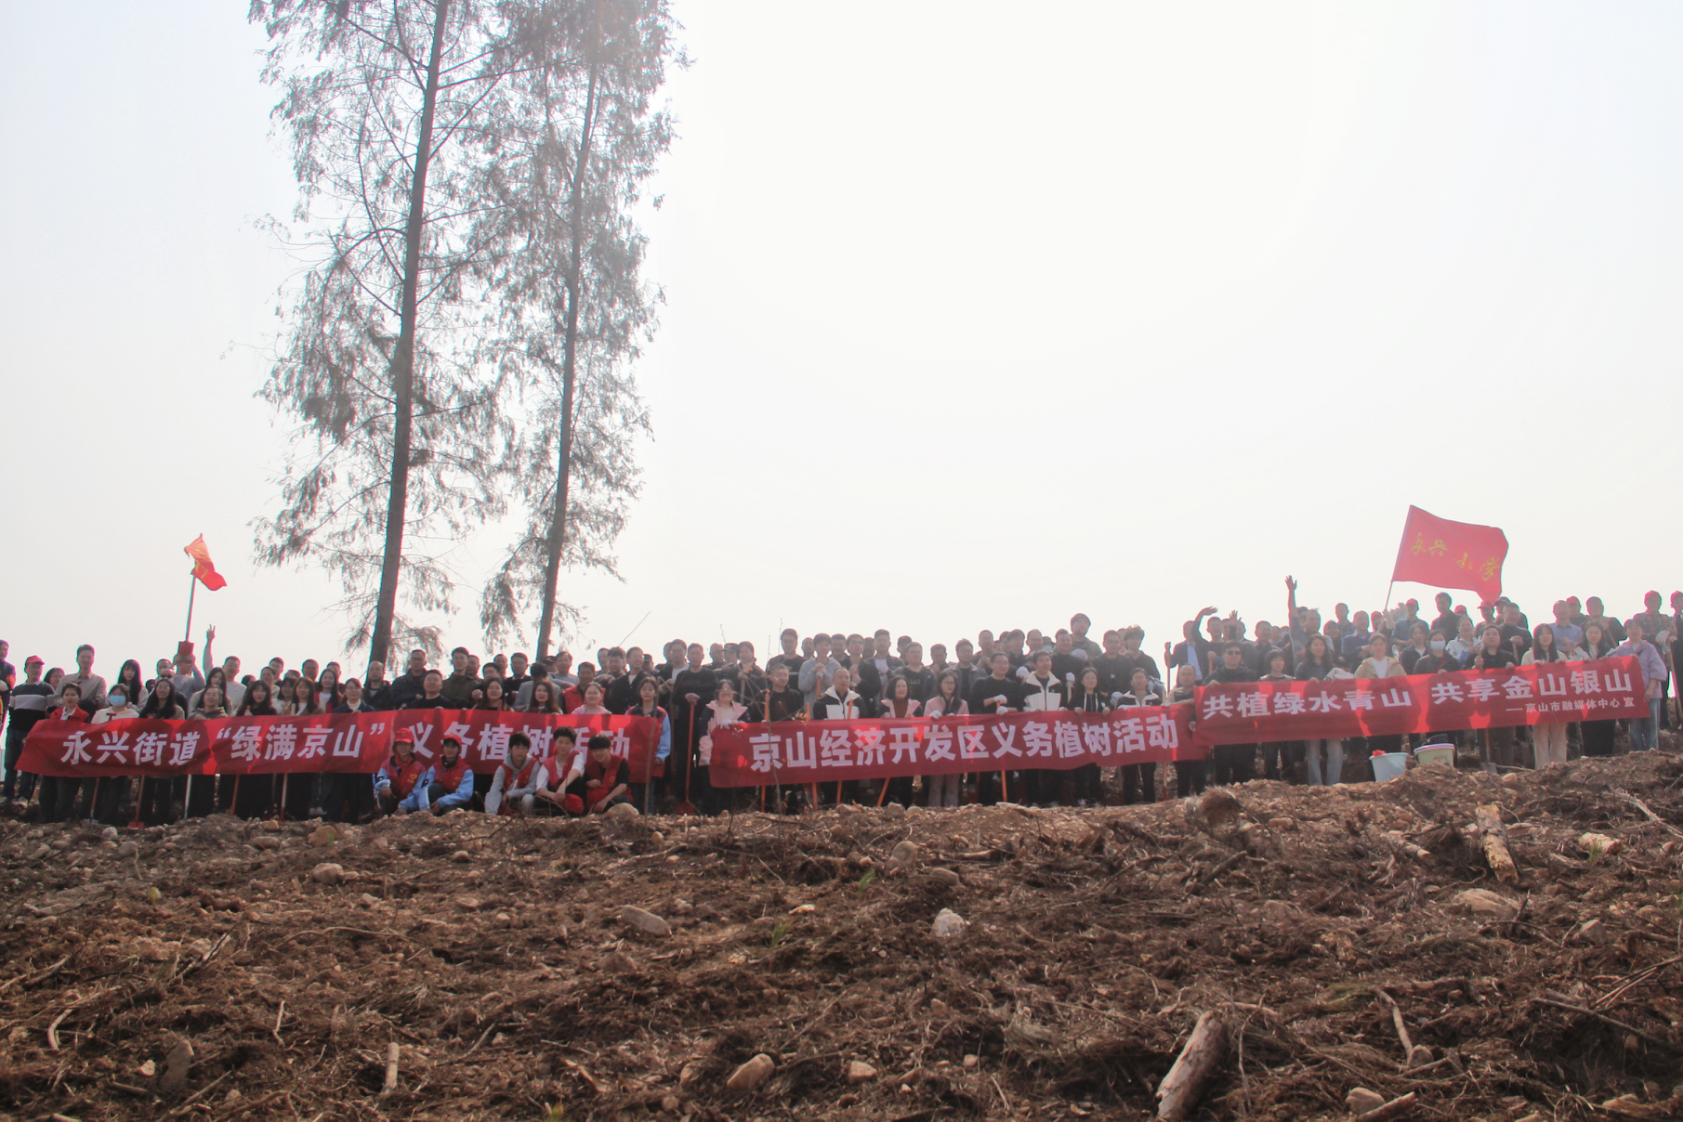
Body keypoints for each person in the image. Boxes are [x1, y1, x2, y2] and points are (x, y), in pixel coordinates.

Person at [1463, 626, 1518, 769]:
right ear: (1481, 638)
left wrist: (1513, 669)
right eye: (1488, 634)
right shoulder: (1474, 657)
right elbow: (1462, 678)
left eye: (1495, 634)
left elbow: (1520, 679)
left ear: (1500, 638)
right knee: (1484, 740)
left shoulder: (1508, 657)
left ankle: (1508, 768)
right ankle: (1486, 769)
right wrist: (1475, 668)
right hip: (1483, 704)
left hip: (1504, 704)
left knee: (1506, 739)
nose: (1492, 637)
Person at [1521, 624, 1577, 768]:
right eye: (1542, 634)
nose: (1545, 637)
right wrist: (1533, 668)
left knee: (1559, 735)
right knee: (1540, 735)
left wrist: (1563, 666)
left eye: (1548, 633)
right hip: (1538, 701)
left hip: (1558, 701)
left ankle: (1560, 765)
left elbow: (1571, 678)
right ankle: (1542, 767)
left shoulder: (1561, 655)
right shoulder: (1529, 656)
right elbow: (1522, 678)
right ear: (1537, 637)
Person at [1205, 642, 1258, 785]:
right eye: (1230, 652)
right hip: (1222, 729)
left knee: (1242, 769)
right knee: (1222, 768)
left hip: (1244, 728)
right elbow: (1202, 699)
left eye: (1237, 653)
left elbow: (1259, 697)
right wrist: (1208, 688)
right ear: (1223, 655)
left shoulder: (1250, 676)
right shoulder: (1214, 676)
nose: (1234, 655)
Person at [1613, 618, 1668, 753]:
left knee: (1651, 725)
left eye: (1637, 627)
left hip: (1650, 693)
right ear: (1626, 631)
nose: (1634, 631)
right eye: (1631, 628)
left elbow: (1657, 669)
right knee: (1634, 726)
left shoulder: (1649, 648)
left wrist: (1650, 689)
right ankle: (1636, 752)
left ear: (1642, 630)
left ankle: (1652, 751)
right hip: (1631, 694)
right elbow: (1615, 669)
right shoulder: (1621, 650)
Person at [3, 656, 52, 808]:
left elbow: (50, 711)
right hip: (14, 730)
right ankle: (7, 794)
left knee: (28, 767)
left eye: (38, 667)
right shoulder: (18, 689)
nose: (36, 670)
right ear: (26, 669)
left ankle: (23, 796)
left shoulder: (46, 689)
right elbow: (12, 709)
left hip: (33, 732)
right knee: (10, 765)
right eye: (33, 667)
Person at [699, 680, 748, 812]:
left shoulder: (741, 711)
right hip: (713, 755)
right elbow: (703, 733)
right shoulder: (709, 710)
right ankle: (709, 817)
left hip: (732, 757)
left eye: (729, 689)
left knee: (729, 789)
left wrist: (733, 723)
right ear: (717, 693)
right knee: (710, 789)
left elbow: (747, 729)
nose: (726, 692)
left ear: (734, 693)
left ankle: (726, 815)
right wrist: (706, 754)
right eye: (722, 690)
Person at [1114, 668, 1160, 805]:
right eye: (1136, 678)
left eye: (1141, 677)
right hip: (1130, 742)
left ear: (1147, 681)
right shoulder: (1123, 699)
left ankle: (1150, 802)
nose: (1139, 680)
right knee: (1129, 775)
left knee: (1148, 775)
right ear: (1131, 681)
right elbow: (1117, 720)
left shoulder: (1155, 699)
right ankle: (1128, 803)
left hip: (1149, 742)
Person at [923, 670, 968, 809]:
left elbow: (967, 726)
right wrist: (931, 718)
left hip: (955, 747)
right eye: (946, 682)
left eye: (952, 683)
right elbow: (924, 727)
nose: (949, 686)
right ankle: (934, 811)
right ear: (939, 684)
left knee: (953, 784)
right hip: (937, 746)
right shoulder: (931, 703)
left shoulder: (962, 704)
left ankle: (951, 811)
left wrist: (957, 720)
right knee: (935, 784)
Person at [1067, 666, 1108, 806]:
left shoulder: (1102, 697)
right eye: (1087, 678)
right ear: (1082, 681)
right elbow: (1068, 711)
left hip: (1097, 737)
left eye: (1093, 678)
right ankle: (1081, 796)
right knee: (1080, 767)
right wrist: (1074, 710)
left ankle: (1096, 796)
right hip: (1080, 737)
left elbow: (1110, 710)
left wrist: (1108, 709)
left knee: (1095, 767)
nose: (1091, 680)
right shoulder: (1076, 697)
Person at [1579, 622, 1619, 757]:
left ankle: (1607, 755)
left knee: (1607, 724)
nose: (1593, 635)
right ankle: (1590, 755)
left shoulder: (1610, 650)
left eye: (1596, 632)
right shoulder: (1578, 651)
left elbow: (1617, 669)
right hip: (1587, 694)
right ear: (1585, 634)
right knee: (1589, 724)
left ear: (1601, 634)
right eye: (1590, 632)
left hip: (1606, 694)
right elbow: (1571, 669)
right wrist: (1582, 663)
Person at [1257, 649, 1296, 782]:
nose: (1278, 663)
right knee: (1270, 752)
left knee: (1288, 752)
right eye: (1275, 660)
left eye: (1281, 660)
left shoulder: (1291, 680)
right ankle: (1270, 778)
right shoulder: (1263, 680)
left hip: (1287, 721)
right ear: (1269, 662)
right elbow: (1260, 700)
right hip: (1270, 722)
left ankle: (1289, 778)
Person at [569, 734, 631, 815]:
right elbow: (583, 785)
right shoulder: (591, 766)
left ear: (609, 749)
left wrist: (605, 800)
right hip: (596, 800)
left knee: (621, 800)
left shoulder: (620, 762)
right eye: (595, 751)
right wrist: (588, 783)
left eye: (601, 750)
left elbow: (623, 785)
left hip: (612, 798)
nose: (598, 753)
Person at [1166, 664, 1203, 798]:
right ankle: (1182, 802)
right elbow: (1166, 707)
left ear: (1195, 676)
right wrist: (1187, 702)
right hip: (1179, 739)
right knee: (1182, 775)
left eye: (1189, 674)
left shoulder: (1201, 691)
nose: (1186, 677)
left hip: (1197, 738)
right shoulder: (1174, 693)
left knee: (1199, 774)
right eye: (1183, 674)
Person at [485, 733, 544, 816]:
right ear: (510, 749)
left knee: (528, 798)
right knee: (491, 795)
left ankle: (528, 821)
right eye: (517, 747)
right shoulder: (502, 768)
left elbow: (533, 787)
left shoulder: (533, 764)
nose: (521, 751)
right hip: (507, 803)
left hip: (523, 799)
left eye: (524, 748)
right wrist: (492, 813)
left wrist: (511, 793)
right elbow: (495, 790)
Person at [374, 728, 429, 815]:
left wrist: (404, 805)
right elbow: (379, 780)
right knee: (383, 791)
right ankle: (385, 819)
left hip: (410, 806)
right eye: (400, 744)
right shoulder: (387, 764)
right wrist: (384, 785)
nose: (403, 748)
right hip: (391, 803)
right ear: (395, 746)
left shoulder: (420, 768)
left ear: (411, 746)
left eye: (406, 744)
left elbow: (418, 793)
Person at [422, 734, 476, 814]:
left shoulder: (466, 770)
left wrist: (442, 801)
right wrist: (425, 808)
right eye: (447, 746)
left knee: (450, 811)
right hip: (436, 804)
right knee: (435, 788)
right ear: (443, 748)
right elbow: (425, 789)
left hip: (456, 804)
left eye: (453, 747)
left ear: (459, 749)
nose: (449, 750)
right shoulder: (435, 767)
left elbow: (465, 794)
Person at [534, 727, 583, 814]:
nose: (563, 746)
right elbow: (540, 788)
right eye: (560, 742)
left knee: (576, 781)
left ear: (573, 744)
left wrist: (562, 788)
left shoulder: (577, 756)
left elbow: (576, 770)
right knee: (539, 800)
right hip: (554, 798)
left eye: (567, 743)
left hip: (570, 796)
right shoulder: (548, 763)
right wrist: (554, 796)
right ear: (555, 742)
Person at [58, 644, 107, 714]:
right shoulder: (66, 679)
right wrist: (70, 705)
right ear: (77, 659)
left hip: (88, 716)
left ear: (93, 659)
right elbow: (57, 698)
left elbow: (100, 700)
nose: (86, 660)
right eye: (83, 657)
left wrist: (84, 705)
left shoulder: (99, 681)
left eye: (89, 657)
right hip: (66, 715)